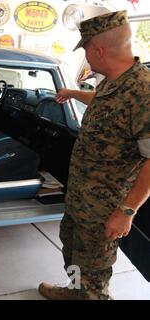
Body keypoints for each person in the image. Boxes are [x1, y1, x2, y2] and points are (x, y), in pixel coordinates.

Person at [38, 10, 150, 300]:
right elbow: (104, 104)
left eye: (85, 48)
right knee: (72, 251)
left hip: (106, 207)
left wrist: (126, 211)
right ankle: (74, 291)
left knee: (94, 270)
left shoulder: (144, 93)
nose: (86, 55)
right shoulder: (113, 82)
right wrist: (74, 94)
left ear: (98, 50)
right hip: (81, 198)